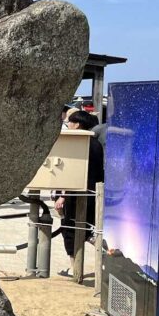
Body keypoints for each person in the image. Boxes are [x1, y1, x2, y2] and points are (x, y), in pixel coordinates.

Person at [54, 110, 104, 276]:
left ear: (78, 124)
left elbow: (73, 172)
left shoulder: (78, 144)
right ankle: (101, 259)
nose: (67, 124)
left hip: (75, 195)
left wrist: (62, 195)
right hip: (92, 193)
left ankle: (75, 269)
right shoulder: (95, 143)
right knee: (88, 230)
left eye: (70, 122)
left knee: (70, 230)